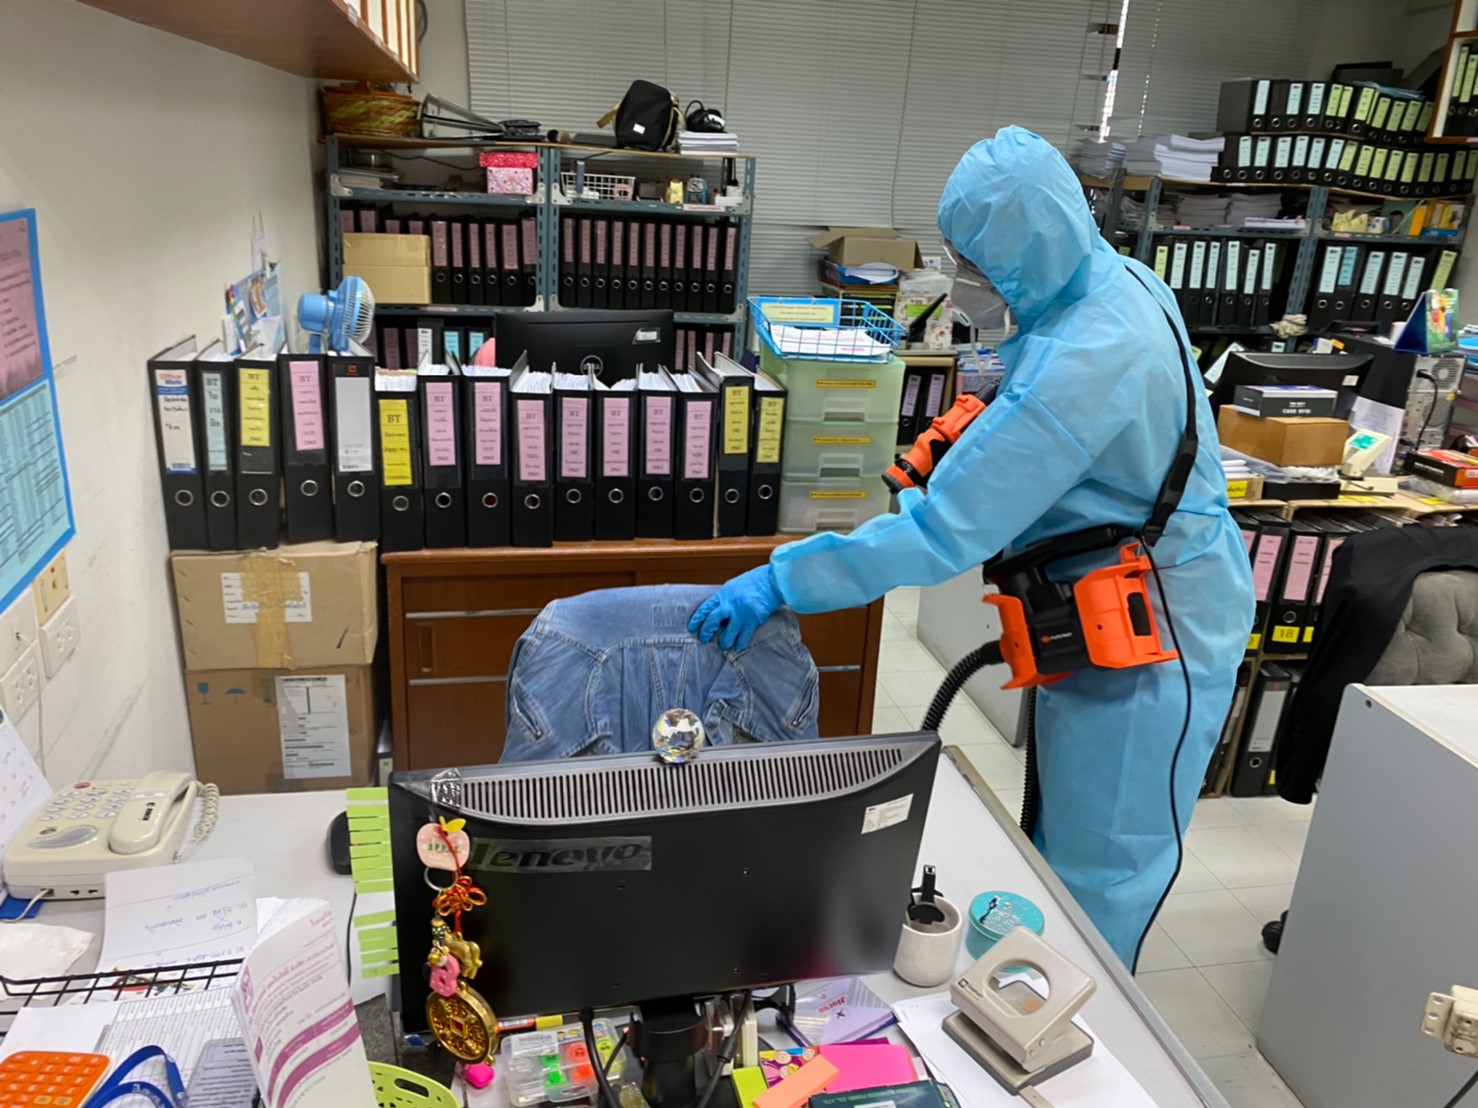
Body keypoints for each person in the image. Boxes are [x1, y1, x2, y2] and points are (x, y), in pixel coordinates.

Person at [690, 126, 1254, 968]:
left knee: (1101, 871)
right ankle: (1041, 981)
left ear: (1031, 248)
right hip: (1105, 610)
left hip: (1158, 637)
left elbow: (941, 532)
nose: (968, 284)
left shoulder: (1088, 360)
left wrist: (781, 581)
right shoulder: (1113, 282)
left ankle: (1080, 1023)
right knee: (1063, 839)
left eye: (978, 266)